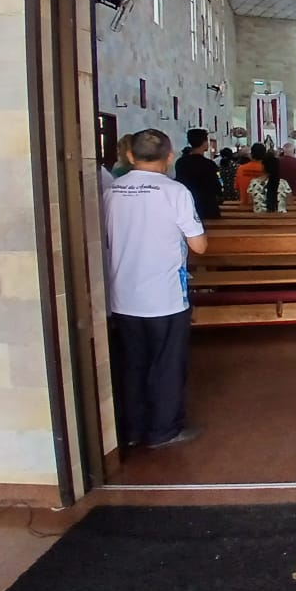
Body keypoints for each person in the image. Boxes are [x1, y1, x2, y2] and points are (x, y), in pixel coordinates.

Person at [102, 129, 206, 449]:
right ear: (170, 156)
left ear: (130, 156)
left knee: (131, 363)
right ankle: (163, 429)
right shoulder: (174, 192)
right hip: (165, 295)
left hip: (121, 293)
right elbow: (199, 246)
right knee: (167, 363)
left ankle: (132, 430)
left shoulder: (111, 191)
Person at [174, 129, 222, 221]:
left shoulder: (180, 163)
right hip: (207, 209)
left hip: (187, 207)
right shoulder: (209, 164)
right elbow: (216, 187)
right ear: (204, 143)